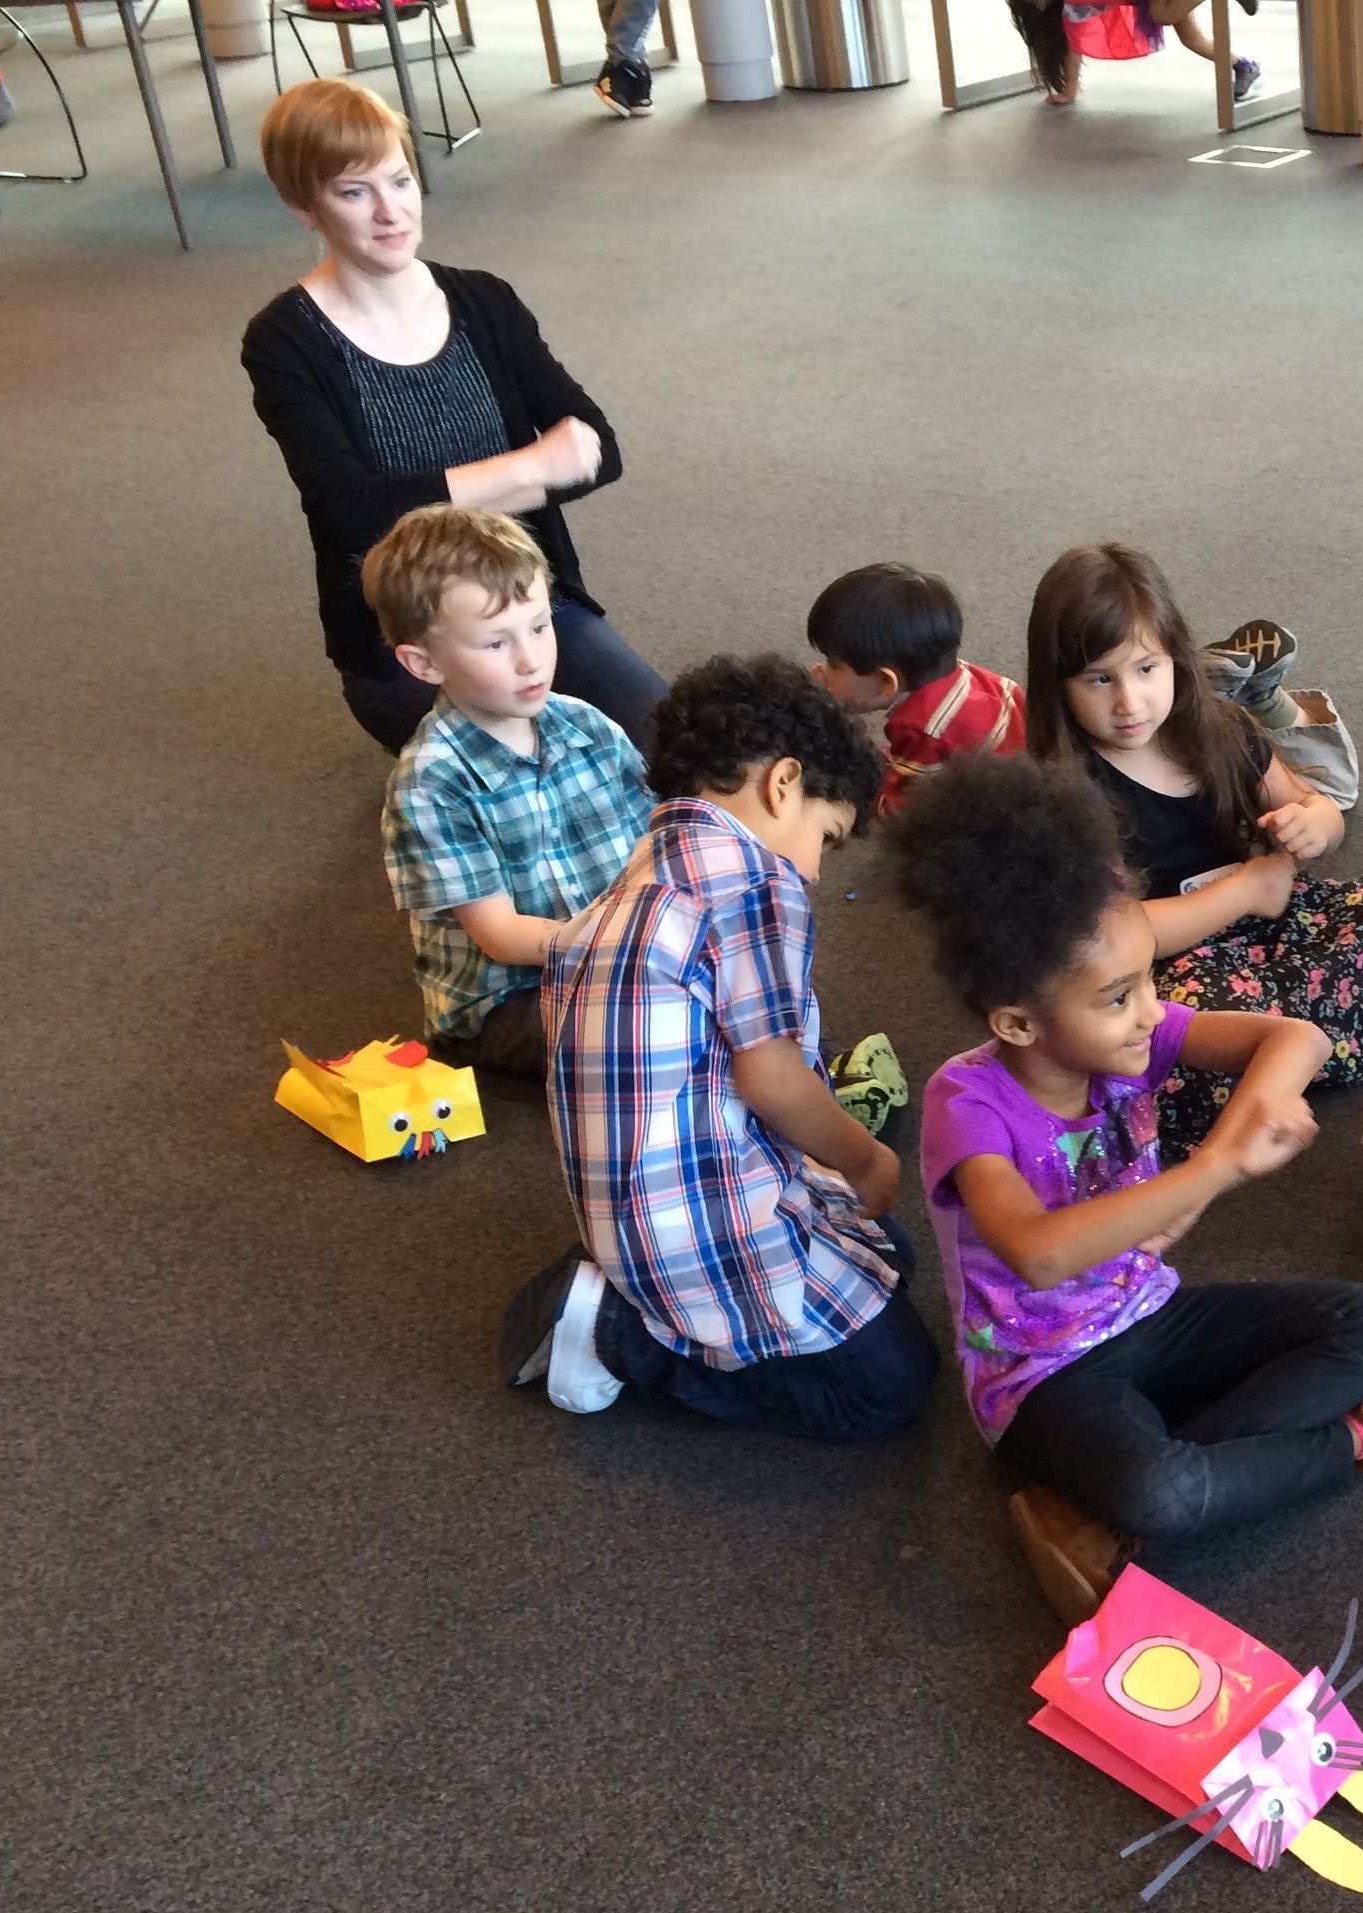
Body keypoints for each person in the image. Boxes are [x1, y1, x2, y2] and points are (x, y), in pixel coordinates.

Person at [895, 756, 1363, 1621]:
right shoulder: (965, 1104)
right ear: (1017, 1023)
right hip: (1041, 1374)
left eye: (1149, 978)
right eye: (1118, 997)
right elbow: (1037, 1255)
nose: (1152, 1011)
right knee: (1163, 1495)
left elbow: (1294, 1040)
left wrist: (1231, 1136)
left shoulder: (1135, 1039)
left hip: (1148, 1311)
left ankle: (1098, 1516)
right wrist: (1213, 1172)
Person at [502, 656, 938, 1444]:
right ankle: (616, 1333)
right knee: (890, 1390)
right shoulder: (754, 880)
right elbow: (771, 1078)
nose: (811, 869)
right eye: (825, 838)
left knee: (890, 1253)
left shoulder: (639, 873)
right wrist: (868, 1158)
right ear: (782, 785)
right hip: (692, 1221)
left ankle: (629, 1294)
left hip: (639, 1206)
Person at [242, 81, 665, 755]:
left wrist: (466, 489)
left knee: (675, 747)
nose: (390, 212)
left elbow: (596, 448)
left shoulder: (483, 302)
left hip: (531, 611)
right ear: (304, 207)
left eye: (401, 180)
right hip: (405, 640)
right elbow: (349, 511)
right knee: (524, 787)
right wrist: (526, 471)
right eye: (355, 192)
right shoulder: (284, 342)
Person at [1023, 542, 1363, 1155]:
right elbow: (1113, 936)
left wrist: (1314, 824)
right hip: (1174, 960)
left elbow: (1312, 802)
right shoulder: (1069, 792)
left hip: (1274, 913)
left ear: (1176, 659)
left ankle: (1280, 1058)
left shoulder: (1218, 728)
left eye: (1146, 669)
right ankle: (1304, 1047)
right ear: (1058, 686)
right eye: (1098, 679)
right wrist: (1242, 890)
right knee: (1162, 1038)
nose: (1129, 702)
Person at [372, 505, 652, 1079]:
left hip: (612, 950)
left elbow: (651, 844)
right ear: (423, 662)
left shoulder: (589, 726)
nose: (532, 660)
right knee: (639, 1026)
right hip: (511, 999)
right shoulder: (430, 783)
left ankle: (803, 1080)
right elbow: (500, 936)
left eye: (540, 626)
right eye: (495, 644)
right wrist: (627, 952)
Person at [805, 561, 1026, 817]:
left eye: (833, 665)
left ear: (887, 682)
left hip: (999, 805)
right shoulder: (956, 674)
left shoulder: (923, 729)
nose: (822, 670)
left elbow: (898, 808)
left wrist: (838, 733)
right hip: (1020, 756)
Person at [1006, 0, 1262, 108]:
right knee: (1192, 40)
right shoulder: (1072, 10)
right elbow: (1074, 48)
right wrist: (1070, 91)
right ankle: (1244, 66)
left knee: (1162, 14)